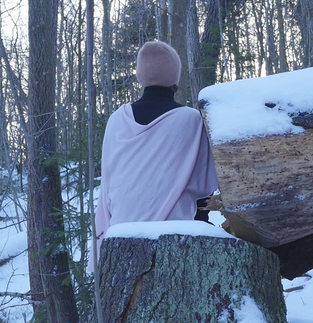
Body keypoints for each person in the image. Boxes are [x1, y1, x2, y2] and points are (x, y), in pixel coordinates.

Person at [90, 40, 219, 270]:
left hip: (120, 238)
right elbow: (206, 187)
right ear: (174, 79)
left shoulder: (117, 120)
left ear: (140, 76)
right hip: (177, 239)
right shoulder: (191, 120)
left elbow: (107, 187)